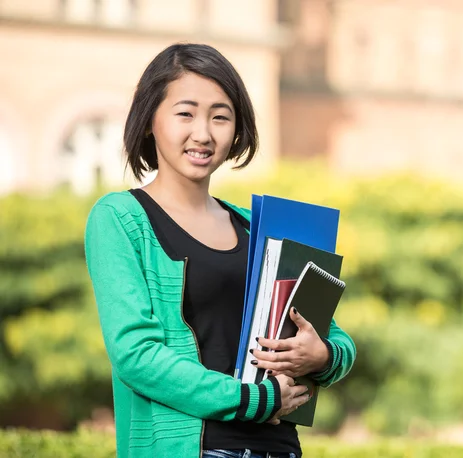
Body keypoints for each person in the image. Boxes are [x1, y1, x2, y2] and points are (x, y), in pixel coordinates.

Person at [84, 43, 356, 458]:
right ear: (149, 120)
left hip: (280, 448)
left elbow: (334, 336)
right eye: (185, 113)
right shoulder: (120, 218)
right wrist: (254, 399)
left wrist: (321, 356)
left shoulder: (257, 227)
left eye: (220, 117)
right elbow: (136, 355)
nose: (204, 133)